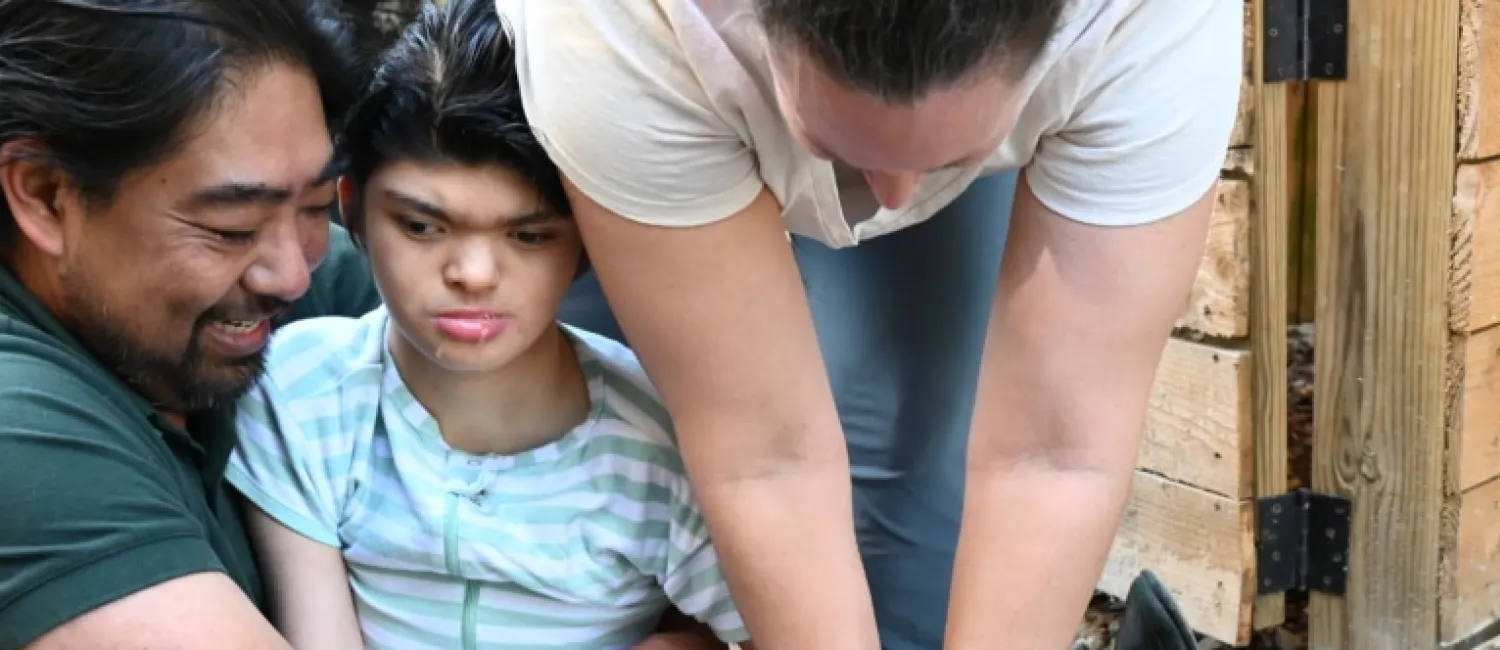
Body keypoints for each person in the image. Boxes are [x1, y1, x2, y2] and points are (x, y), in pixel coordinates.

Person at [496, 0, 1240, 648]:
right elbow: (763, 455)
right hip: (653, 94)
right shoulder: (605, 28)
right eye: (833, 143)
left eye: (953, 153)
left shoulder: (1151, 24)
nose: (894, 197)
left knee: (910, 439)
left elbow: (1053, 452)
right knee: (615, 442)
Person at [0, 2, 712, 648]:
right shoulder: (21, 428)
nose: (291, 275)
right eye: (229, 226)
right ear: (45, 196)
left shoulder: (335, 289)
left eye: (311, 209)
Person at [223, 1, 751, 648]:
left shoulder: (667, 438)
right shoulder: (301, 396)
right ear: (351, 206)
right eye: (421, 226)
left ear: (591, 240)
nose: (473, 273)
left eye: (528, 235)